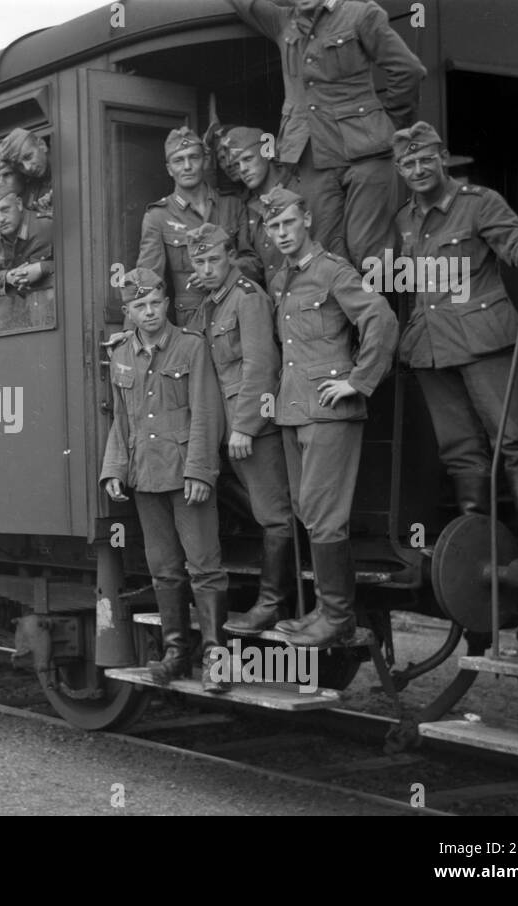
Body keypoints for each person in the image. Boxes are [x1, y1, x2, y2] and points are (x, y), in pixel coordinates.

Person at [391, 122, 518, 556]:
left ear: (443, 158)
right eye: (409, 162)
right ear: (399, 170)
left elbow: (514, 241)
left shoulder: (479, 203)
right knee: (459, 449)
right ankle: (476, 542)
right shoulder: (403, 220)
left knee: (512, 436)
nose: (419, 168)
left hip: (483, 339)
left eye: (426, 158)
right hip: (429, 347)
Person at [260, 186, 397, 648]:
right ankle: (323, 609)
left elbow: (380, 318)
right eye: (273, 226)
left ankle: (337, 617)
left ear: (307, 222)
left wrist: (359, 382)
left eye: (288, 224)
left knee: (324, 514)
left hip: (330, 411)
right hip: (294, 409)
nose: (281, 233)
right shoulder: (280, 280)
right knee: (307, 510)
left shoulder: (333, 271)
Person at [99, 268, 229, 691]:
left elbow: (206, 411)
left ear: (167, 303)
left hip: (186, 474)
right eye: (140, 306)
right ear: (129, 311)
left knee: (204, 568)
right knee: (164, 571)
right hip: (145, 474)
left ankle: (216, 660)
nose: (150, 311)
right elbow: (121, 419)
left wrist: (200, 470)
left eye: (155, 302)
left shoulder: (191, 347)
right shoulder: (121, 355)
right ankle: (176, 654)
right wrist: (114, 469)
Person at [225, 0, 425, 269]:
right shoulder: (283, 21)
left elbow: (408, 70)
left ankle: (378, 312)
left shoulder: (360, 14)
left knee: (370, 253)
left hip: (365, 154)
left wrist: (389, 126)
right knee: (324, 254)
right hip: (312, 157)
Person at [184, 223, 298, 635]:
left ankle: (271, 603)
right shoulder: (212, 301)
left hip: (251, 428)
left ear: (231, 255)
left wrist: (246, 427)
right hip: (224, 426)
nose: (209, 267)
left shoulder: (247, 298)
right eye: (200, 261)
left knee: (274, 515)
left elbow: (261, 366)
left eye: (215, 259)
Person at [136, 127, 259, 327]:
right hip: (192, 324)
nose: (187, 166)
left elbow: (255, 264)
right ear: (169, 169)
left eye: (193, 157)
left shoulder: (232, 205)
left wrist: (224, 270)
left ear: (206, 161)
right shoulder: (158, 216)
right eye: (178, 160)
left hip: (236, 316)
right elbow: (148, 280)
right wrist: (132, 333)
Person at [0, 179, 55, 332]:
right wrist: (8, 277)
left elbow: (76, 263)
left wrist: (42, 268)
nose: (1, 219)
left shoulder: (48, 226)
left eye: (5, 210)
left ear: (19, 204)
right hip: (21, 319)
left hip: (55, 312)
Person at [225, 126, 288, 288]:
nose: (243, 170)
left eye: (247, 159)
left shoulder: (298, 191)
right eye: (236, 165)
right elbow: (255, 265)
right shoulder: (247, 207)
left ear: (267, 153)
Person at [0, 128, 52, 215]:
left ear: (42, 145)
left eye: (29, 157)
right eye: (20, 165)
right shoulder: (34, 187)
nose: (27, 168)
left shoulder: (69, 163)